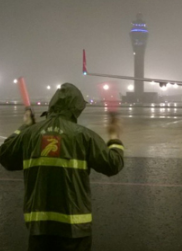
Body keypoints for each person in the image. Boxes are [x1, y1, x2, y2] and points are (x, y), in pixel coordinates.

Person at [0, 83, 124, 251]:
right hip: (75, 228)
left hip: (39, 228)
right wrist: (114, 137)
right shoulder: (84, 135)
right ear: (76, 107)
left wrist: (25, 126)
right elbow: (113, 164)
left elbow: (5, 155)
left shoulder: (30, 134)